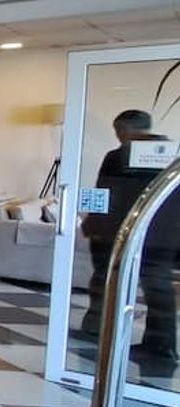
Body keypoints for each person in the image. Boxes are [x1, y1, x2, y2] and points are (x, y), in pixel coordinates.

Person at [77, 110, 178, 362]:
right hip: (163, 237)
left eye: (118, 131)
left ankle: (98, 329)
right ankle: (161, 344)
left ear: (124, 130)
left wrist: (94, 225)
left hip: (120, 233)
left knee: (105, 280)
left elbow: (106, 194)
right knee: (158, 290)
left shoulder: (117, 157)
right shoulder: (172, 157)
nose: (118, 136)